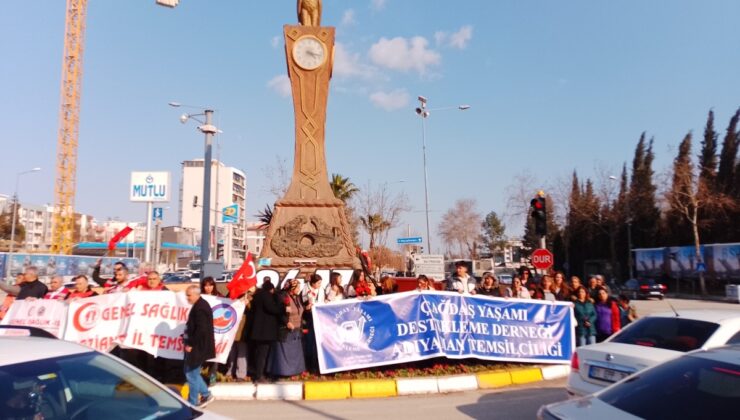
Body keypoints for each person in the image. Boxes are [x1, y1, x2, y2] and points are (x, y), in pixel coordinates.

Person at [183, 285, 215, 408]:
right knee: (191, 373)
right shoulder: (199, 305)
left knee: (191, 374)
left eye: (189, 295)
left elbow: (201, 330)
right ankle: (206, 394)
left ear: (196, 294)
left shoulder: (200, 308)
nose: (187, 298)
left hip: (198, 347)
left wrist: (191, 344)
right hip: (198, 346)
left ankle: (193, 402)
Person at [247, 281, 282, 383]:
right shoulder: (266, 296)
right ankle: (259, 375)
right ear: (270, 289)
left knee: (259, 353)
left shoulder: (257, 296)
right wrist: (281, 306)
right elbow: (273, 309)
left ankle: (259, 373)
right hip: (265, 332)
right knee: (262, 354)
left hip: (258, 331)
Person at [270, 280, 306, 378]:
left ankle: (296, 371)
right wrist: (286, 322)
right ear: (291, 288)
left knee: (295, 352)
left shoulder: (297, 297)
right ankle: (285, 372)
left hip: (297, 329)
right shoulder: (283, 297)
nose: (299, 289)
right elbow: (279, 312)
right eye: (297, 287)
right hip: (286, 329)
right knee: (286, 352)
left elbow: (300, 310)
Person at [302, 274, 322, 373]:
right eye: (318, 283)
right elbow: (304, 304)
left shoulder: (321, 290)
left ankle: (318, 365)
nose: (319, 285)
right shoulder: (306, 291)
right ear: (313, 283)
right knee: (311, 343)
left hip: (320, 318)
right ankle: (311, 365)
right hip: (310, 318)